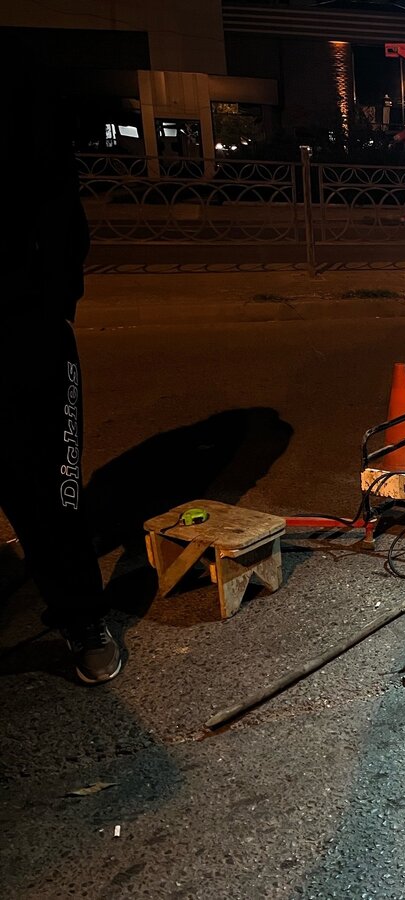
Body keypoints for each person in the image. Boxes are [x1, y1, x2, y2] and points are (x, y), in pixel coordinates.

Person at [0, 70, 124, 684]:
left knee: (54, 491)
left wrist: (53, 304)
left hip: (24, 335)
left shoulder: (19, 94)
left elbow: (58, 207)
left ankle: (81, 617)